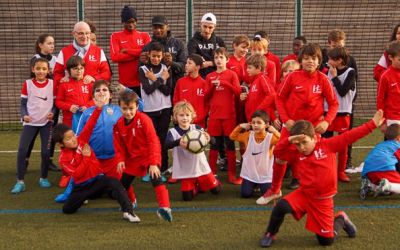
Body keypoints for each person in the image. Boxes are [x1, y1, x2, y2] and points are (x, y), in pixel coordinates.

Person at [259, 110, 384, 247]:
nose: (301, 147)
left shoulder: (328, 145)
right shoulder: (296, 151)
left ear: (313, 137)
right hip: (305, 194)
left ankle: (340, 218)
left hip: (323, 200)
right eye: (297, 144)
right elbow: (278, 153)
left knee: (326, 241)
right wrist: (288, 140)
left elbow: (350, 136)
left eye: (304, 142)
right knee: (281, 207)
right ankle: (270, 233)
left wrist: (372, 124)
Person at [258, 43, 338, 204]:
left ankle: (317, 191)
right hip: (292, 127)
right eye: (307, 58)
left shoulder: (323, 80)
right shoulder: (291, 77)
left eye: (314, 58)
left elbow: (334, 103)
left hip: (313, 128)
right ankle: (274, 190)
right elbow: (279, 98)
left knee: (315, 159)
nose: (310, 61)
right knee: (280, 156)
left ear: (319, 61)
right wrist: (286, 119)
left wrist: (327, 121)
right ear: (301, 60)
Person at [52, 97, 140, 223]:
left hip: (97, 181)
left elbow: (90, 124)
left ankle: (128, 211)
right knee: (67, 209)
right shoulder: (63, 159)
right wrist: (86, 158)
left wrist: (98, 108)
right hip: (82, 187)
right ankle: (85, 198)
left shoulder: (82, 139)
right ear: (60, 144)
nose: (73, 139)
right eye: (68, 139)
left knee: (115, 183)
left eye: (73, 135)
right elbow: (77, 174)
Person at [114, 91, 173, 222]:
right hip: (133, 158)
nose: (128, 112)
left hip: (148, 155)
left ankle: (165, 207)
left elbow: (153, 141)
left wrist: (153, 163)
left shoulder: (144, 119)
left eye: (131, 108)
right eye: (124, 108)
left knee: (156, 178)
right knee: (123, 184)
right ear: (120, 107)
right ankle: (132, 201)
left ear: (137, 106)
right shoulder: (118, 124)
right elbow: (119, 145)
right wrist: (120, 160)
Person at [11, 58, 56, 194]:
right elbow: (23, 104)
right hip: (30, 123)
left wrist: (52, 113)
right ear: (33, 69)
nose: (41, 71)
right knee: (22, 150)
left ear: (48, 70)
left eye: (44, 69)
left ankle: (43, 178)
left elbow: (55, 105)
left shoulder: (53, 84)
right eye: (38, 68)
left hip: (46, 124)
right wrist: (24, 115)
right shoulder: (28, 84)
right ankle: (20, 181)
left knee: (45, 152)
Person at [165, 101, 221, 201]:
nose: (184, 118)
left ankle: (208, 182)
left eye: (187, 115)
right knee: (187, 198)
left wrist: (209, 138)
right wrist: (178, 142)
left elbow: (214, 142)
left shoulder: (197, 128)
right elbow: (165, 145)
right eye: (181, 115)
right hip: (186, 170)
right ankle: (195, 185)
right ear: (175, 117)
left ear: (192, 116)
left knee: (216, 191)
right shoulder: (172, 132)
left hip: (201, 167)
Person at [319, 29, 358, 170]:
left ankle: (346, 163)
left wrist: (351, 102)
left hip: (345, 107)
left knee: (345, 137)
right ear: (330, 44)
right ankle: (326, 163)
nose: (338, 47)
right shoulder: (325, 60)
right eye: (335, 45)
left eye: (340, 45)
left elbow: (351, 85)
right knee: (326, 136)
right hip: (328, 107)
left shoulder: (350, 61)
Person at [205, 47, 242, 184]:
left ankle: (232, 174)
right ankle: (211, 173)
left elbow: (238, 92)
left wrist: (224, 83)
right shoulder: (209, 76)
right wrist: (213, 87)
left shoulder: (232, 75)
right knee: (214, 145)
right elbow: (206, 97)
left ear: (227, 59)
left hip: (229, 116)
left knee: (230, 144)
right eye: (216, 57)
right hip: (214, 116)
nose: (218, 60)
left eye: (221, 57)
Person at [139, 42, 172, 178]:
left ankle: (163, 167)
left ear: (162, 56)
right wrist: (159, 79)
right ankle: (152, 166)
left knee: (162, 138)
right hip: (150, 109)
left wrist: (154, 79)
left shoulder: (166, 69)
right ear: (149, 55)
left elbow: (167, 91)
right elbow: (147, 89)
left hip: (165, 109)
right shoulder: (143, 69)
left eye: (158, 56)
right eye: (153, 56)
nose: (156, 59)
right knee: (151, 139)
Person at [230, 110, 280, 198]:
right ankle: (254, 184)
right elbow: (232, 136)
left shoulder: (270, 137)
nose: (255, 125)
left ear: (267, 124)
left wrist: (275, 131)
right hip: (250, 174)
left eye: (259, 122)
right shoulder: (248, 135)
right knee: (245, 194)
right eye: (253, 123)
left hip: (264, 174)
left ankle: (259, 184)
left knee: (266, 194)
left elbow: (284, 141)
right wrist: (240, 126)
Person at [29, 34, 59, 172]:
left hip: (52, 101)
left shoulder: (56, 59)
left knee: (51, 132)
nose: (52, 45)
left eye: (53, 43)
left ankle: (49, 161)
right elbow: (36, 79)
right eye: (48, 43)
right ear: (40, 45)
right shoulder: (35, 59)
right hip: (37, 103)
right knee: (32, 132)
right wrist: (50, 74)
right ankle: (25, 159)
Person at [53, 21, 111, 88]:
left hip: (92, 93)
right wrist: (62, 79)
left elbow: (106, 73)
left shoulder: (99, 51)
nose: (84, 36)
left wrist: (94, 78)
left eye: (87, 33)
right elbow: (56, 73)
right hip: (71, 94)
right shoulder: (64, 52)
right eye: (81, 33)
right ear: (74, 34)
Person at [141, 15, 187, 98]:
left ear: (167, 27)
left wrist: (171, 63)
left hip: (176, 89)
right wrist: (144, 62)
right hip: (154, 93)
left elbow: (185, 67)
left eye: (161, 27)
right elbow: (141, 71)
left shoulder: (179, 44)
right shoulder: (147, 47)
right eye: (155, 27)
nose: (158, 30)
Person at [110, 5, 151, 95]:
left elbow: (149, 53)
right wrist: (139, 54)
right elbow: (115, 57)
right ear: (123, 22)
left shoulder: (145, 36)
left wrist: (127, 50)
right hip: (125, 84)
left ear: (136, 21)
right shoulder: (115, 36)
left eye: (133, 21)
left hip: (144, 82)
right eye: (128, 22)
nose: (131, 25)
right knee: (126, 109)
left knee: (142, 109)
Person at [361, 124, 400, 195]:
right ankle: (388, 186)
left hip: (368, 172)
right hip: (384, 169)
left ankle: (371, 186)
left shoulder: (380, 145)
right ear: (398, 138)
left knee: (385, 188)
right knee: (393, 186)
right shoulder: (397, 147)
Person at [56, 56, 94, 128]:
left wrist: (87, 106)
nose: (79, 71)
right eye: (75, 68)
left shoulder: (89, 84)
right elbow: (58, 102)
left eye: (81, 68)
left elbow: (95, 99)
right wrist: (69, 107)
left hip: (86, 119)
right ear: (68, 70)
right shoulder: (64, 84)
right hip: (69, 121)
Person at [239, 54, 277, 127]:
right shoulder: (255, 81)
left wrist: (258, 110)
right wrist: (245, 98)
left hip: (260, 121)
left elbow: (272, 94)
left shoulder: (263, 78)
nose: (247, 70)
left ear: (259, 68)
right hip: (254, 120)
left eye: (250, 68)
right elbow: (255, 98)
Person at [173, 54, 208, 128]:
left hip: (199, 123)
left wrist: (199, 118)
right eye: (186, 63)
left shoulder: (204, 84)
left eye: (189, 63)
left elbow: (207, 105)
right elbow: (176, 101)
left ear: (197, 67)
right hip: (183, 122)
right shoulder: (180, 82)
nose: (186, 65)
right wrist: (181, 116)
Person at [187, 13, 226, 79]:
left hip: (217, 76)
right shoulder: (192, 42)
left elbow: (225, 60)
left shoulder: (219, 41)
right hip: (199, 77)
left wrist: (209, 63)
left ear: (214, 27)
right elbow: (193, 60)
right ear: (200, 24)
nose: (207, 30)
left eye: (210, 27)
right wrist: (215, 62)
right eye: (205, 26)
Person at [377, 41, 400, 131]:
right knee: (393, 145)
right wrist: (383, 121)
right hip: (392, 119)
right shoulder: (385, 76)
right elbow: (380, 99)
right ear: (390, 57)